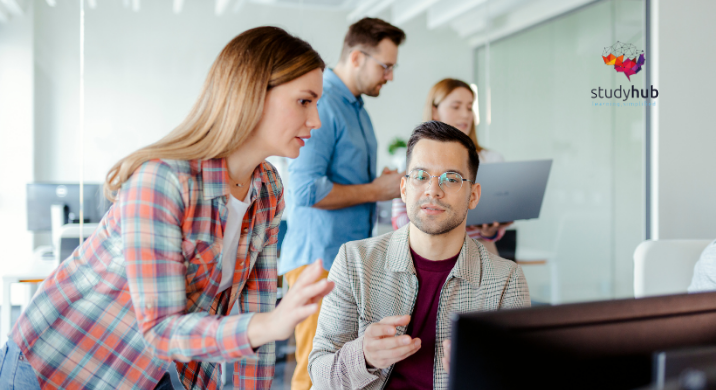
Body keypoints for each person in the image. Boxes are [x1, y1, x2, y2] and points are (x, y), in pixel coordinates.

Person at [1, 27, 335, 390]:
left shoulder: (268, 188)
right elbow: (163, 327)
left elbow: (260, 313)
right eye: (305, 101)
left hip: (151, 369)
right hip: (62, 359)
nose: (316, 120)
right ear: (252, 94)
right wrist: (268, 325)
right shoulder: (164, 180)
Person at [308, 121, 530, 390]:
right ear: (403, 189)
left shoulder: (506, 280)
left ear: (474, 195)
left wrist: (478, 377)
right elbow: (320, 377)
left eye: (451, 178)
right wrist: (363, 357)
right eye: (421, 176)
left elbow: (517, 377)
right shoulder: (355, 261)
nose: (433, 190)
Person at [280, 17, 406, 390]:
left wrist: (377, 184)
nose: (390, 76)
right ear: (356, 57)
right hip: (317, 262)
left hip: (346, 262)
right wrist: (376, 189)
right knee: (313, 372)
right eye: (385, 66)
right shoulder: (323, 104)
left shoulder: (357, 109)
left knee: (341, 372)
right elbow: (304, 190)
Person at [392, 78, 512, 255]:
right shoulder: (414, 158)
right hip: (427, 253)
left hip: (480, 251)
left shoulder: (491, 158)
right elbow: (399, 220)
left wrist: (491, 231)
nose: (465, 115)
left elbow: (499, 219)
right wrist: (439, 217)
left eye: (469, 107)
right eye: (456, 107)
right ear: (435, 111)